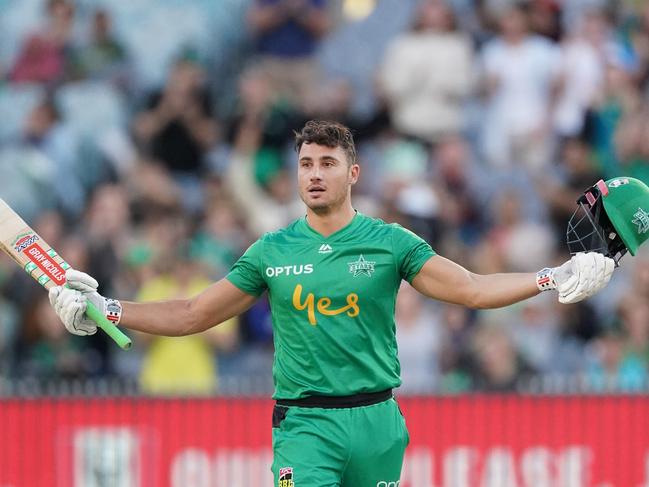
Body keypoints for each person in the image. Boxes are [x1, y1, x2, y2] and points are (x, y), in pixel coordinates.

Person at [48, 120, 615, 486]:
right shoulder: (271, 251)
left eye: (327, 163)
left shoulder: (391, 242)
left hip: (378, 423)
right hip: (306, 424)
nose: (314, 175)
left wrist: (552, 275)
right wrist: (108, 308)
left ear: (353, 172)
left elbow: (468, 287)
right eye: (305, 165)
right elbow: (195, 312)